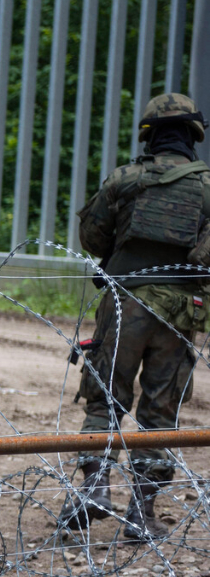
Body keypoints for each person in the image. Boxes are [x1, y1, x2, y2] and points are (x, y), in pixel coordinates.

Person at [59, 93, 210, 541]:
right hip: (182, 312)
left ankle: (96, 489)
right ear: (193, 136)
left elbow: (92, 236)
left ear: (149, 135)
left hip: (126, 304)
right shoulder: (206, 187)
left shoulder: (125, 179)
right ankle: (142, 514)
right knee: (160, 412)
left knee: (106, 397)